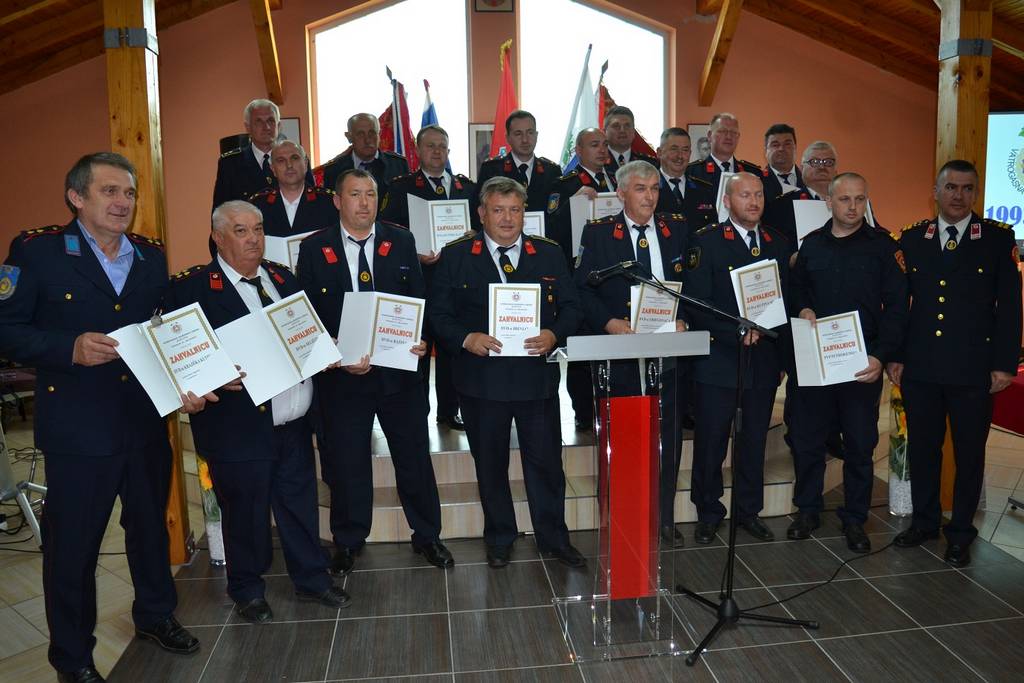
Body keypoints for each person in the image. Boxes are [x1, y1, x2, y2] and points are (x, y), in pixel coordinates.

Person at [0, 153, 200, 683]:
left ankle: (155, 616)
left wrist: (191, 375)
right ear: (77, 197)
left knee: (149, 531)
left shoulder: (150, 255)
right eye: (109, 191)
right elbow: (7, 329)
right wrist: (68, 348)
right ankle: (72, 658)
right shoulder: (38, 251)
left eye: (129, 193)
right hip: (79, 429)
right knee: (74, 547)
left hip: (143, 421)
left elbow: (165, 331)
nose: (122, 202)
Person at [165, 201, 349, 623]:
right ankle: (247, 589)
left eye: (259, 229)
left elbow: (306, 332)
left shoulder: (282, 278)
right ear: (218, 237)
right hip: (237, 427)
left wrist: (326, 349)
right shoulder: (192, 289)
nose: (253, 239)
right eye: (241, 230)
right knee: (245, 513)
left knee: (299, 504)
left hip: (293, 421)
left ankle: (312, 579)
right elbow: (178, 357)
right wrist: (201, 382)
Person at [297, 169, 453, 575]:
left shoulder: (400, 240)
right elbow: (307, 314)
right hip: (342, 377)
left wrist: (421, 339)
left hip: (399, 373)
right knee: (347, 460)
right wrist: (333, 352)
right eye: (355, 194)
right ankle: (349, 540)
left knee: (413, 456)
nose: (364, 202)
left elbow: (418, 298)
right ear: (337, 200)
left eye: (370, 194)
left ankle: (428, 535)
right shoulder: (314, 248)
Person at [429, 176, 586, 569]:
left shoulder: (548, 253)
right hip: (481, 381)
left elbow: (573, 307)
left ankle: (554, 538)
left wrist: (554, 333)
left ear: (524, 214)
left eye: (515, 210)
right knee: (490, 465)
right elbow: (438, 315)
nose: (507, 218)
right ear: (481, 213)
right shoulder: (457, 255)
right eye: (498, 210)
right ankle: (500, 537)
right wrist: (466, 338)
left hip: (536, 380)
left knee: (547, 464)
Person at [888, 159, 1022, 568]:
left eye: (967, 188)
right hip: (922, 365)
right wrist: (896, 355)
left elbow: (1009, 308)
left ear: (975, 193)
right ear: (936, 192)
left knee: (969, 453)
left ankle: (961, 531)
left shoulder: (997, 239)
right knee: (924, 449)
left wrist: (1004, 364)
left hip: (973, 368)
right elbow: (900, 305)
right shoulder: (913, 238)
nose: (958, 196)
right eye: (950, 187)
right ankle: (925, 522)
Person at [787, 173, 908, 552]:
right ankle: (807, 510)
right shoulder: (811, 246)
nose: (853, 207)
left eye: (859, 199)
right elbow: (795, 289)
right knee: (807, 441)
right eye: (844, 199)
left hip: (861, 365)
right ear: (829, 202)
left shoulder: (883, 247)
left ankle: (855, 518)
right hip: (816, 363)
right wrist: (803, 308)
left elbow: (897, 308)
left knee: (859, 445)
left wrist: (881, 355)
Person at [573, 160, 690, 547]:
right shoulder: (599, 233)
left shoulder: (677, 229)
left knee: (667, 438)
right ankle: (623, 517)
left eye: (655, 188)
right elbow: (582, 289)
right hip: (619, 351)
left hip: (667, 349)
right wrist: (608, 322)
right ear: (621, 193)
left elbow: (692, 283)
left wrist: (685, 320)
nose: (650, 196)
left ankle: (662, 517)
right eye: (641, 189)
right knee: (623, 438)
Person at [683, 172, 792, 545]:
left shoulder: (777, 243)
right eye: (745, 195)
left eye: (758, 194)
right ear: (728, 201)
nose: (754, 201)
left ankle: (749, 511)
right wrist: (734, 331)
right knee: (711, 441)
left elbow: (786, 301)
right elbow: (697, 302)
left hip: (763, 360)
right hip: (719, 359)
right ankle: (708, 512)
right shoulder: (706, 242)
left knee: (754, 441)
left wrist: (781, 357)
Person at [380, 124, 477, 430]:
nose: (437, 151)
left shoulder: (467, 188)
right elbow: (387, 232)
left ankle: (449, 410)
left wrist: (473, 235)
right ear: (418, 151)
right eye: (430, 146)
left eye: (442, 146)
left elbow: (482, 228)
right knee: (418, 348)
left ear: (449, 151)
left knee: (452, 348)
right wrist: (415, 254)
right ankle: (416, 413)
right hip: (417, 280)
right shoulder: (401, 187)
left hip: (457, 282)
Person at [546, 127, 612, 430]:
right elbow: (550, 227)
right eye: (594, 144)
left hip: (612, 273)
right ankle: (584, 412)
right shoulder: (566, 184)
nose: (602, 150)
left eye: (604, 144)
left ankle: (610, 407)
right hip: (580, 272)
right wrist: (573, 202)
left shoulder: (616, 180)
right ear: (579, 151)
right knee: (582, 344)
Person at [211, 99, 313, 212]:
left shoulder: (297, 158)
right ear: (248, 127)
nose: (266, 127)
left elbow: (311, 200)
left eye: (271, 121)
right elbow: (219, 213)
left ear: (279, 126)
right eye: (259, 122)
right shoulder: (230, 164)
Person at [313, 113, 409, 207]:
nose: (367, 140)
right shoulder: (334, 170)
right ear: (349, 137)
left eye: (372, 133)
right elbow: (332, 208)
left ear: (379, 134)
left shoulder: (398, 165)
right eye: (360, 134)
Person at [684, 113, 761, 229]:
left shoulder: (751, 173)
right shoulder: (692, 172)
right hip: (705, 236)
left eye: (733, 132)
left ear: (738, 137)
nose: (728, 136)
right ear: (710, 135)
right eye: (723, 131)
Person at [478, 109, 563, 213]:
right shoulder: (491, 170)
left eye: (530, 133)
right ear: (507, 138)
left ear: (536, 135)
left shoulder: (552, 171)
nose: (525, 140)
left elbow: (558, 212)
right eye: (518, 134)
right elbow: (479, 211)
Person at [250, 140, 337, 237]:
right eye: (281, 160)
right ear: (273, 169)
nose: (289, 165)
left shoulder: (330, 202)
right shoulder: (258, 205)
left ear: (305, 164)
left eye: (294, 158)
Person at [763, 141, 838, 244]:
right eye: (814, 162)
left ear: (836, 170)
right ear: (802, 169)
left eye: (828, 162)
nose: (822, 167)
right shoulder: (781, 206)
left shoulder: (850, 203)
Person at [656, 126, 711, 217]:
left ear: (690, 154)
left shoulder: (704, 190)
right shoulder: (647, 188)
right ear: (659, 152)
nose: (680, 156)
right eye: (674, 149)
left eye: (685, 150)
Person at [603, 105, 658, 176]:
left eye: (627, 126)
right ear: (604, 132)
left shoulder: (649, 164)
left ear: (634, 132)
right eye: (616, 126)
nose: (622, 130)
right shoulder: (597, 161)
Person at [761, 124, 803, 205]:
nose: (781, 149)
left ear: (795, 147)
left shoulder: (808, 180)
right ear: (766, 150)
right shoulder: (758, 182)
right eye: (775, 145)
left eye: (787, 144)